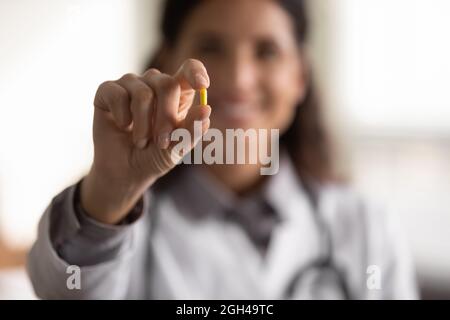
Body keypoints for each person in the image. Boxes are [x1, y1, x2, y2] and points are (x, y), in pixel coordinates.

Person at [27, 0, 418, 299]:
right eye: (210, 48)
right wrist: (112, 192)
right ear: (166, 63)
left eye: (266, 51)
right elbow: (67, 289)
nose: (238, 79)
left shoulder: (365, 226)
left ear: (300, 77)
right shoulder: (119, 222)